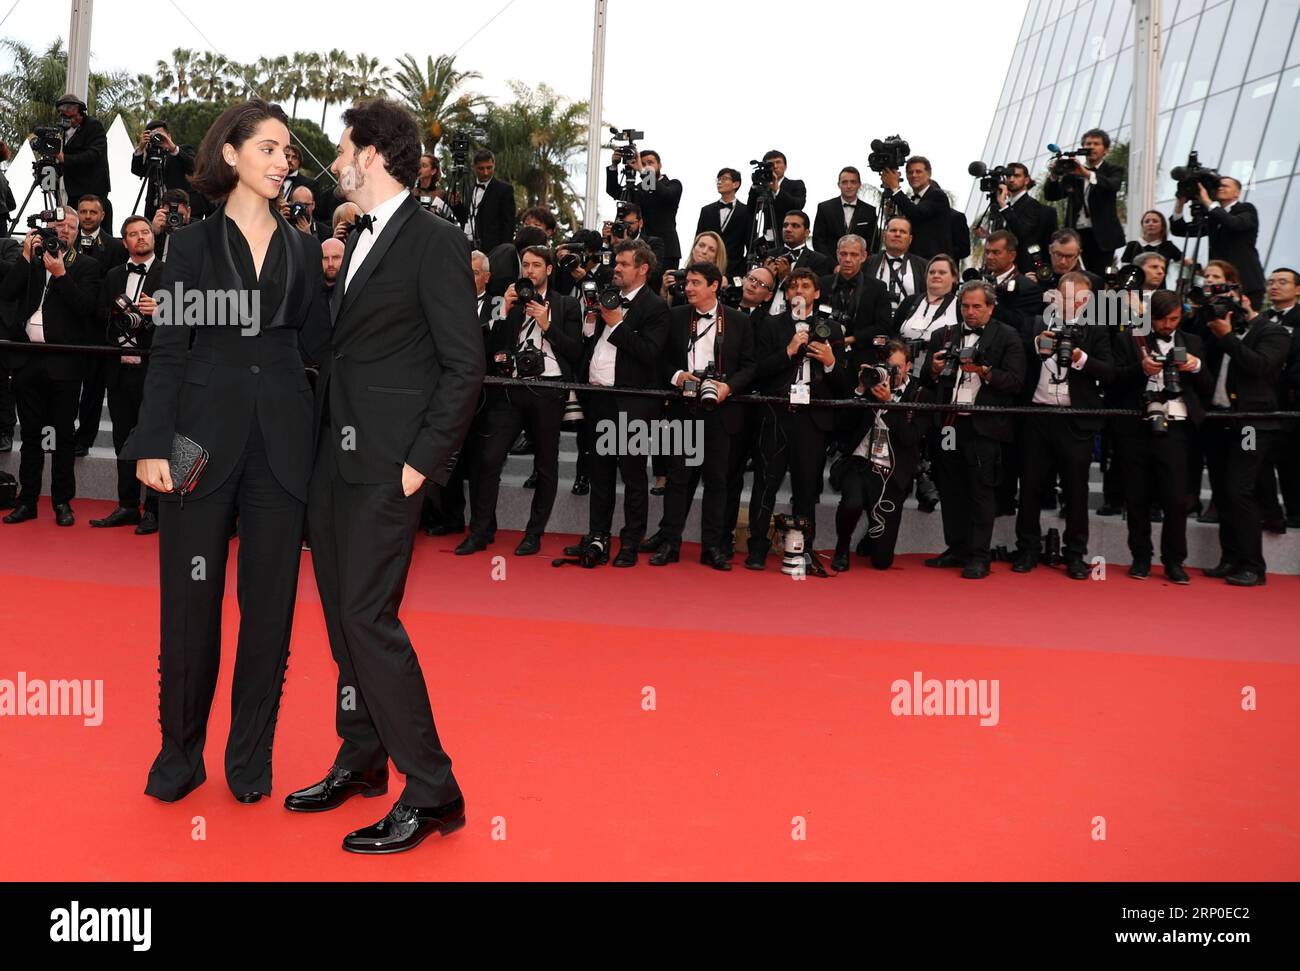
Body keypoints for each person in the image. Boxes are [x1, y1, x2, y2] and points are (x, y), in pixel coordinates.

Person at [284, 99, 484, 853]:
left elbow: (467, 366)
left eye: (343, 150)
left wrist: (420, 464)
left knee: (369, 619)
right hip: (336, 460)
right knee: (342, 618)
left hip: (388, 469)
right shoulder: (357, 235)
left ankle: (434, 790)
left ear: (371, 155)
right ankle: (362, 753)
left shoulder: (434, 241)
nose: (334, 162)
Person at [120, 99, 330, 803]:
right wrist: (153, 443)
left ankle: (250, 756)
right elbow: (170, 350)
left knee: (269, 609)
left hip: (284, 445)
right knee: (188, 605)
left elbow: (319, 353)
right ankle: (178, 754)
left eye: (286, 152)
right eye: (267, 149)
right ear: (231, 154)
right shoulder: (191, 245)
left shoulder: (306, 249)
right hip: (192, 442)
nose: (281, 162)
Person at [458, 245, 582, 556]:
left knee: (546, 465)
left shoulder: (565, 305)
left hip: (549, 390)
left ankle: (534, 533)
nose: (529, 271)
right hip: (511, 390)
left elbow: (576, 352)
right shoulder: (510, 303)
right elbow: (491, 349)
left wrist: (547, 324)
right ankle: (481, 529)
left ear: (549, 270)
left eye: (536, 265)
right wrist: (502, 314)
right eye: (525, 265)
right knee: (488, 459)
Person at [644, 261, 755, 569]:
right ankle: (670, 543)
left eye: (695, 283)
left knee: (717, 481)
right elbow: (661, 360)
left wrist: (727, 387)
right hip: (684, 409)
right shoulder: (676, 316)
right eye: (687, 282)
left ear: (714, 286)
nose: (688, 288)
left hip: (721, 411)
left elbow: (750, 367)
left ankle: (713, 548)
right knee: (678, 479)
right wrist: (679, 375)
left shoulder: (739, 321)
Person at [569, 239, 670, 566]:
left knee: (633, 476)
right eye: (616, 263)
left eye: (624, 263)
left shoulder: (655, 307)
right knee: (599, 473)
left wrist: (616, 322)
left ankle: (629, 542)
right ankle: (598, 537)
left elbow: (649, 354)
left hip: (633, 402)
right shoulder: (606, 299)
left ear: (642, 269)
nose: (616, 268)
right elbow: (590, 344)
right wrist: (593, 318)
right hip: (599, 399)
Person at [744, 268, 849, 575]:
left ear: (817, 293)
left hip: (812, 421)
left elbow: (843, 384)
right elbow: (757, 371)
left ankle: (802, 550)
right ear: (786, 293)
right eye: (794, 286)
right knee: (766, 485)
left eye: (806, 285)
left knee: (806, 489)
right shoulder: (770, 326)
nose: (799, 290)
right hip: (776, 414)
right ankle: (758, 548)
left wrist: (830, 362)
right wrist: (788, 352)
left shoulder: (833, 329)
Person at [0, 209, 100, 526]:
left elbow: (87, 309)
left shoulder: (87, 266)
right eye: (58, 226)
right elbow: (7, 293)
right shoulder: (33, 261)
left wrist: (60, 275)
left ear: (76, 233)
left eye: (70, 227)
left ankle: (61, 502)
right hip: (28, 361)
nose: (64, 231)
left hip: (64, 364)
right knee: (30, 436)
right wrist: (27, 257)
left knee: (62, 437)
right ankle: (27, 500)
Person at [920, 280, 1026, 579]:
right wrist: (934, 369)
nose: (970, 312)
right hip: (950, 424)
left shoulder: (1007, 336)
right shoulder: (944, 334)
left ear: (991, 307)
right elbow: (926, 380)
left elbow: (1016, 382)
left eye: (977, 306)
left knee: (981, 490)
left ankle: (979, 555)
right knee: (951, 486)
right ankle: (956, 547)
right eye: (965, 306)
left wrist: (984, 371)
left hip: (984, 426)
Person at [1011, 272, 1114, 580]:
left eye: (1078, 298)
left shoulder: (1097, 330)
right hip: (1038, 416)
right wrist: (1036, 345)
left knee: (1076, 490)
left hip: (1075, 419)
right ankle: (1027, 549)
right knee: (1030, 486)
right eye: (1065, 296)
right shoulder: (1035, 323)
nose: (1071, 303)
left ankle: (1075, 554)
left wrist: (1080, 357)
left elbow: (1110, 372)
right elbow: (1019, 362)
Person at [1109, 290, 1211, 583]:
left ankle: (1174, 561)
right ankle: (1140, 558)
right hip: (1135, 428)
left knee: (1177, 500)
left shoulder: (1192, 342)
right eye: (1162, 319)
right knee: (1137, 497)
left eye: (1174, 319)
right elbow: (1112, 381)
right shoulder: (1129, 339)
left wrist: (1195, 365)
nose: (1168, 325)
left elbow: (1207, 388)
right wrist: (1140, 369)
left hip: (1177, 429)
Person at [1199, 282, 1289, 586]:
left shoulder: (1271, 332)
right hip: (1219, 420)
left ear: (1245, 301)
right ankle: (1231, 558)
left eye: (1230, 302)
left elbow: (1260, 366)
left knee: (1240, 489)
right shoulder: (1216, 330)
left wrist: (1227, 337)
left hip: (1251, 423)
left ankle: (1253, 565)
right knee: (1223, 493)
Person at [89, 215, 163, 534]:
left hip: (156, 371)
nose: (141, 238)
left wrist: (162, 311)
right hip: (119, 368)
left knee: (155, 441)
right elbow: (98, 314)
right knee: (122, 439)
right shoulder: (113, 275)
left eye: (145, 232)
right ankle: (128, 505)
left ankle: (155, 511)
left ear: (153, 236)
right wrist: (117, 315)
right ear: (125, 243)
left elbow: (191, 321)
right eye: (133, 234)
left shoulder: (171, 274)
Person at [831, 340, 931, 572]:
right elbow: (843, 426)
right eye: (887, 367)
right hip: (859, 462)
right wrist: (859, 391)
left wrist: (889, 403)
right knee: (852, 503)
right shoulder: (869, 383)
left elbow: (910, 438)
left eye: (896, 367)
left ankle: (872, 534)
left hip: (891, 471)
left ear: (908, 366)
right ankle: (842, 547)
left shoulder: (920, 394)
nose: (890, 373)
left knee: (882, 562)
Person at [1170, 175, 1266, 310]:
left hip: (1246, 282)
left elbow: (1234, 224)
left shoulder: (1246, 209)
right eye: (1218, 186)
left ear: (1237, 193)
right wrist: (1180, 203)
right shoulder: (1213, 216)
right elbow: (1181, 230)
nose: (1220, 188)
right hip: (1218, 286)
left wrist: (1207, 202)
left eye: (1225, 186)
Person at [1043, 128, 1124, 274]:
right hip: (1076, 233)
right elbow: (1052, 195)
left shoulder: (1113, 170)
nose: (1091, 147)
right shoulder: (1073, 172)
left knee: (1099, 276)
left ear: (1105, 150)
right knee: (1074, 274)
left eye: (1096, 143)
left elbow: (1112, 185)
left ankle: (1098, 298)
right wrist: (1054, 175)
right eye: (1087, 144)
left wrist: (1085, 173)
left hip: (1103, 235)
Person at [607, 147, 683, 270]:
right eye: (642, 163)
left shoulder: (673, 184)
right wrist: (614, 165)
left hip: (667, 251)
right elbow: (615, 192)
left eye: (650, 163)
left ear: (660, 165)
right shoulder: (638, 188)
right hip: (640, 248)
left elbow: (665, 194)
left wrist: (642, 171)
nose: (646, 166)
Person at [55, 93, 112, 230]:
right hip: (74, 190)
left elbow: (93, 155)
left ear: (80, 111)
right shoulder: (64, 131)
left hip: (94, 188)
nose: (71, 119)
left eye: (74, 116)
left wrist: (64, 158)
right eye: (66, 116)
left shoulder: (93, 126)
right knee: (75, 227)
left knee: (95, 227)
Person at [880, 156, 951, 261]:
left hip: (932, 262)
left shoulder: (937, 195)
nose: (914, 175)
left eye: (918, 172)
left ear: (929, 174)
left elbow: (917, 213)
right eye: (910, 172)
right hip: (913, 261)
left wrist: (895, 187)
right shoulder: (912, 200)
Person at [991, 162, 1056, 276]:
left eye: (1016, 176)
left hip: (1025, 268)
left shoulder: (1032, 204)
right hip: (1004, 268)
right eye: (1008, 176)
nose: (1011, 179)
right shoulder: (1004, 207)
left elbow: (1022, 232)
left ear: (1026, 180)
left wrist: (1003, 205)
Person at [130, 120, 197, 220]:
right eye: (153, 135)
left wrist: (173, 148)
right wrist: (140, 148)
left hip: (178, 207)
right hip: (154, 209)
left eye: (160, 135)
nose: (157, 138)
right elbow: (138, 170)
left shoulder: (183, 150)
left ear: (169, 136)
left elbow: (193, 166)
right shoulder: (152, 155)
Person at [452, 149, 516, 251]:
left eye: (489, 168)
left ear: (494, 165)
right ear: (474, 167)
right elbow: (465, 218)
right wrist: (456, 205)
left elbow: (509, 224)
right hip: (467, 246)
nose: (486, 173)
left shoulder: (504, 189)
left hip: (491, 250)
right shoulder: (469, 188)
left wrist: (504, 252)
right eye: (481, 168)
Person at [865, 216, 928, 313]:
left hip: (908, 323)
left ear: (910, 239)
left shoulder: (924, 266)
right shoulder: (867, 263)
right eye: (893, 230)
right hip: (873, 323)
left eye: (903, 232)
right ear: (884, 235)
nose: (897, 234)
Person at [696, 167, 751, 276]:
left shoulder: (746, 211)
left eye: (724, 179)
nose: (720, 182)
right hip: (707, 267)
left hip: (734, 270)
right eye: (718, 179)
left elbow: (750, 246)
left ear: (736, 184)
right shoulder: (706, 210)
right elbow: (698, 239)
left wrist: (741, 272)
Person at [813, 167, 878, 258]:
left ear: (859, 185)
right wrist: (833, 265)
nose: (849, 186)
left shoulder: (869, 211)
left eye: (853, 182)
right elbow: (818, 241)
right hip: (830, 267)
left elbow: (873, 243)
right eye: (844, 182)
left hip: (861, 267)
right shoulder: (824, 208)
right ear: (838, 185)